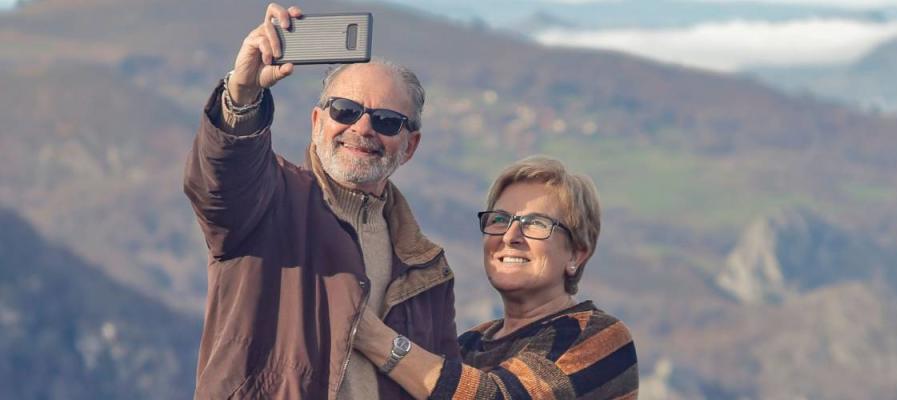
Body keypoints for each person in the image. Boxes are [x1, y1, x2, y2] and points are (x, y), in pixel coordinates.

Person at [183, 4, 458, 399]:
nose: (362, 128)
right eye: (345, 111)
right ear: (317, 123)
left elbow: (442, 386)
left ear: (410, 146)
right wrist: (242, 93)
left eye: (386, 121)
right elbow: (219, 179)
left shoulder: (428, 268)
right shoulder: (266, 202)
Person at [353, 156, 639, 399]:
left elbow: (496, 395)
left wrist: (369, 334)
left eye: (535, 223)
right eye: (499, 220)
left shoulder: (598, 337)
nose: (510, 236)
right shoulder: (470, 343)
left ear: (576, 254)